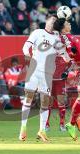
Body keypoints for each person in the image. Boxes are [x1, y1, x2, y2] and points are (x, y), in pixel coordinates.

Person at [19, 14, 67, 142]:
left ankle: (42, 131)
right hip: (33, 71)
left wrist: (68, 54)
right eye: (51, 20)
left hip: (47, 74)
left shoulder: (57, 39)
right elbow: (25, 47)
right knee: (28, 99)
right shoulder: (37, 33)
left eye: (55, 22)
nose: (52, 23)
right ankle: (23, 128)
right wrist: (27, 54)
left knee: (45, 102)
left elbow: (65, 55)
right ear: (46, 21)